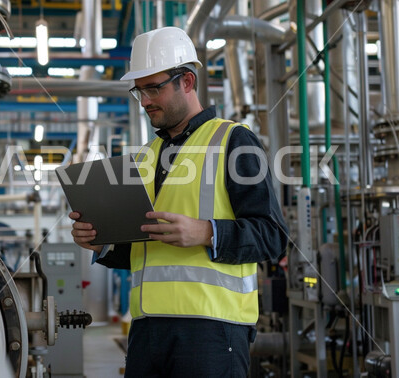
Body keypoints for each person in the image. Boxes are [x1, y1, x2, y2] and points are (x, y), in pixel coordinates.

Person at [70, 26, 287, 377]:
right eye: (139, 91)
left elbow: (273, 236)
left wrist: (206, 232)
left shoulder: (232, 140)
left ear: (186, 81)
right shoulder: (145, 157)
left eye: (154, 88)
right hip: (147, 330)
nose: (145, 101)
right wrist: (102, 242)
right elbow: (147, 247)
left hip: (212, 330)